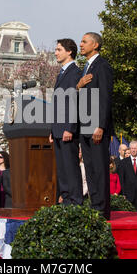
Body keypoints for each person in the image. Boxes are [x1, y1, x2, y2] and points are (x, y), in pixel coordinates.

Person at [77, 32, 114, 220]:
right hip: (85, 125)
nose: (81, 44)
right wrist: (78, 85)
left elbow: (105, 99)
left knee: (99, 169)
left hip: (96, 127)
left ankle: (102, 211)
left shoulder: (103, 66)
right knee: (90, 169)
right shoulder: (85, 68)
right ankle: (94, 206)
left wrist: (101, 126)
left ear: (96, 45)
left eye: (84, 42)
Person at [49, 38, 83, 206]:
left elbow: (74, 102)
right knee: (62, 168)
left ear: (69, 51)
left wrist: (70, 128)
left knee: (70, 166)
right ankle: (66, 199)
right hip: (58, 129)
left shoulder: (75, 73)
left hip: (68, 130)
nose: (56, 52)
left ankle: (75, 201)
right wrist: (52, 129)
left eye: (59, 49)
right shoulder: (61, 73)